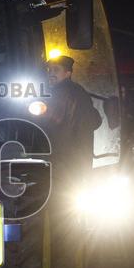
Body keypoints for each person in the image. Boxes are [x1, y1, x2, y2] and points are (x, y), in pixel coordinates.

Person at [44, 55, 102, 184]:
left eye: (56, 70)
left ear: (67, 73)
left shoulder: (58, 93)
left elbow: (49, 124)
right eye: (49, 70)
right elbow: (96, 120)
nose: (51, 73)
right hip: (78, 157)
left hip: (63, 157)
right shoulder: (79, 91)